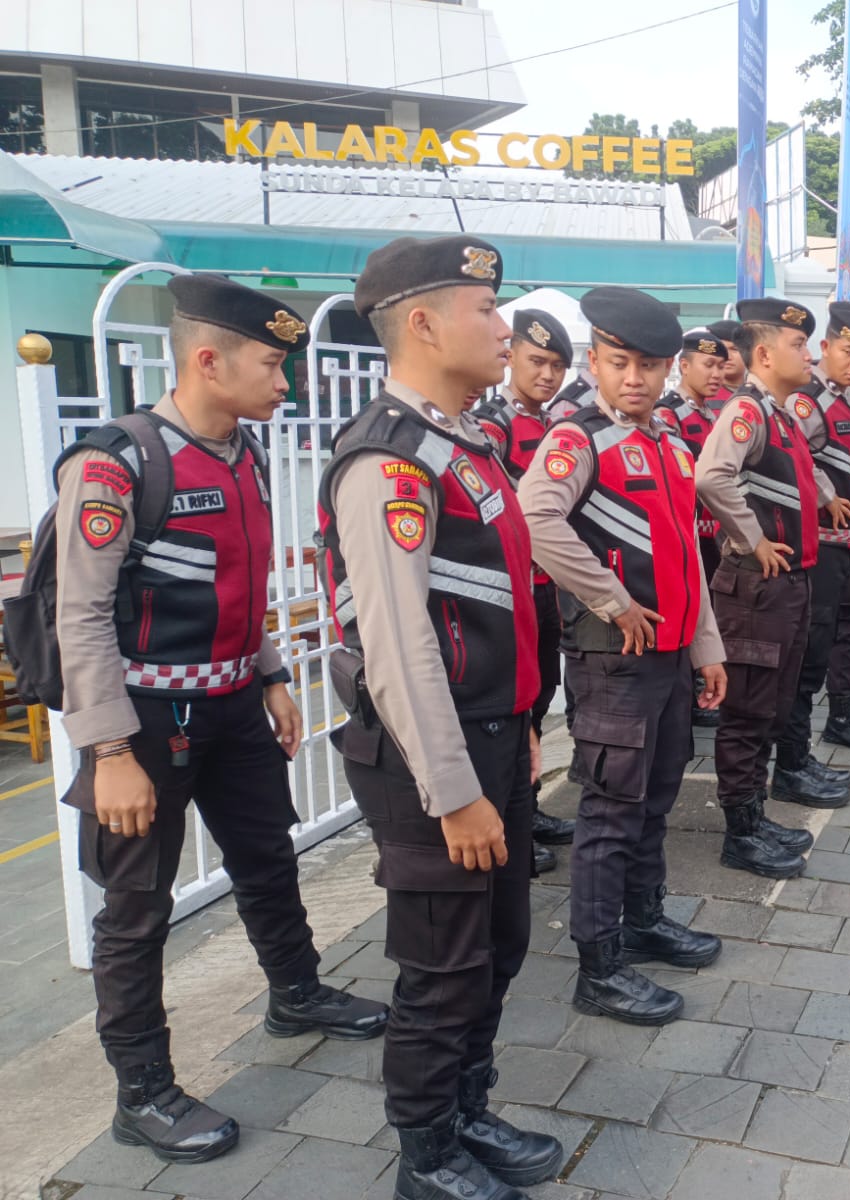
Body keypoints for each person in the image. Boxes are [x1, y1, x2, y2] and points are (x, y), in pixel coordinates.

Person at [55, 275, 388, 1166]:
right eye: (274, 364)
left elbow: (240, 582)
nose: (289, 384)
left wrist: (273, 675)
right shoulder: (116, 463)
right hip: (145, 720)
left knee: (268, 857)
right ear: (210, 359)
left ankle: (296, 992)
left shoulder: (243, 451)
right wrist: (110, 750)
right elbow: (80, 616)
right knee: (134, 913)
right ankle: (143, 1092)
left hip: (236, 702)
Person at [319, 235, 562, 1199]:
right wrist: (457, 792)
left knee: (497, 946)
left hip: (492, 739)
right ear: (422, 322)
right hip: (431, 761)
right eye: (485, 310)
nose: (504, 328)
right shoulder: (388, 461)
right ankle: (425, 1153)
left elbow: (498, 603)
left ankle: (467, 1105)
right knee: (442, 963)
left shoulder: (465, 443)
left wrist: (524, 724)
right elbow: (399, 648)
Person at [519, 285, 728, 1025]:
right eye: (618, 363)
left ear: (670, 368)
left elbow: (686, 561)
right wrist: (608, 596)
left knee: (657, 801)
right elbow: (532, 518)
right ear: (595, 363)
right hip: (614, 662)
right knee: (609, 813)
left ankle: (644, 920)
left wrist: (708, 647)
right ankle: (599, 964)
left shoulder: (670, 443)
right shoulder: (578, 440)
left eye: (648, 365)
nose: (633, 378)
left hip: (670, 660)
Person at [696, 298, 822, 879]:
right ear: (766, 354)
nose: (810, 354)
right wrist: (751, 539)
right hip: (755, 588)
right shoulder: (746, 412)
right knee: (747, 712)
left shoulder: (781, 414)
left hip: (784, 589)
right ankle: (739, 832)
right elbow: (710, 476)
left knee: (768, 707)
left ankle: (755, 811)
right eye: (799, 345)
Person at [473, 309, 578, 870]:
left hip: (550, 588)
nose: (547, 375)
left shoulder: (559, 426)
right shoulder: (493, 426)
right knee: (514, 713)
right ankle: (511, 828)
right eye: (537, 361)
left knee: (539, 702)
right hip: (515, 589)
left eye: (558, 366)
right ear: (510, 355)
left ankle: (529, 809)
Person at [773, 302, 850, 804]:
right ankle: (790, 765)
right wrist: (824, 496)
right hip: (814, 551)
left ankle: (799, 757)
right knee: (806, 660)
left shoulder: (838, 400)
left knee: (815, 657)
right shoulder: (808, 403)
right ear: (825, 348)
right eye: (847, 351)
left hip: (838, 548)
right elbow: (796, 461)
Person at [661, 328, 733, 728]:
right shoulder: (669, 415)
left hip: (714, 536)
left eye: (722, 366)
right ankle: (690, 696)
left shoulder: (710, 415)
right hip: (690, 534)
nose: (717, 374)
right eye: (708, 365)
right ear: (684, 366)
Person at [709, 318, 746, 399]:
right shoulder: (703, 397)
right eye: (722, 349)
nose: (728, 357)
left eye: (734, 349)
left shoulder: (760, 394)